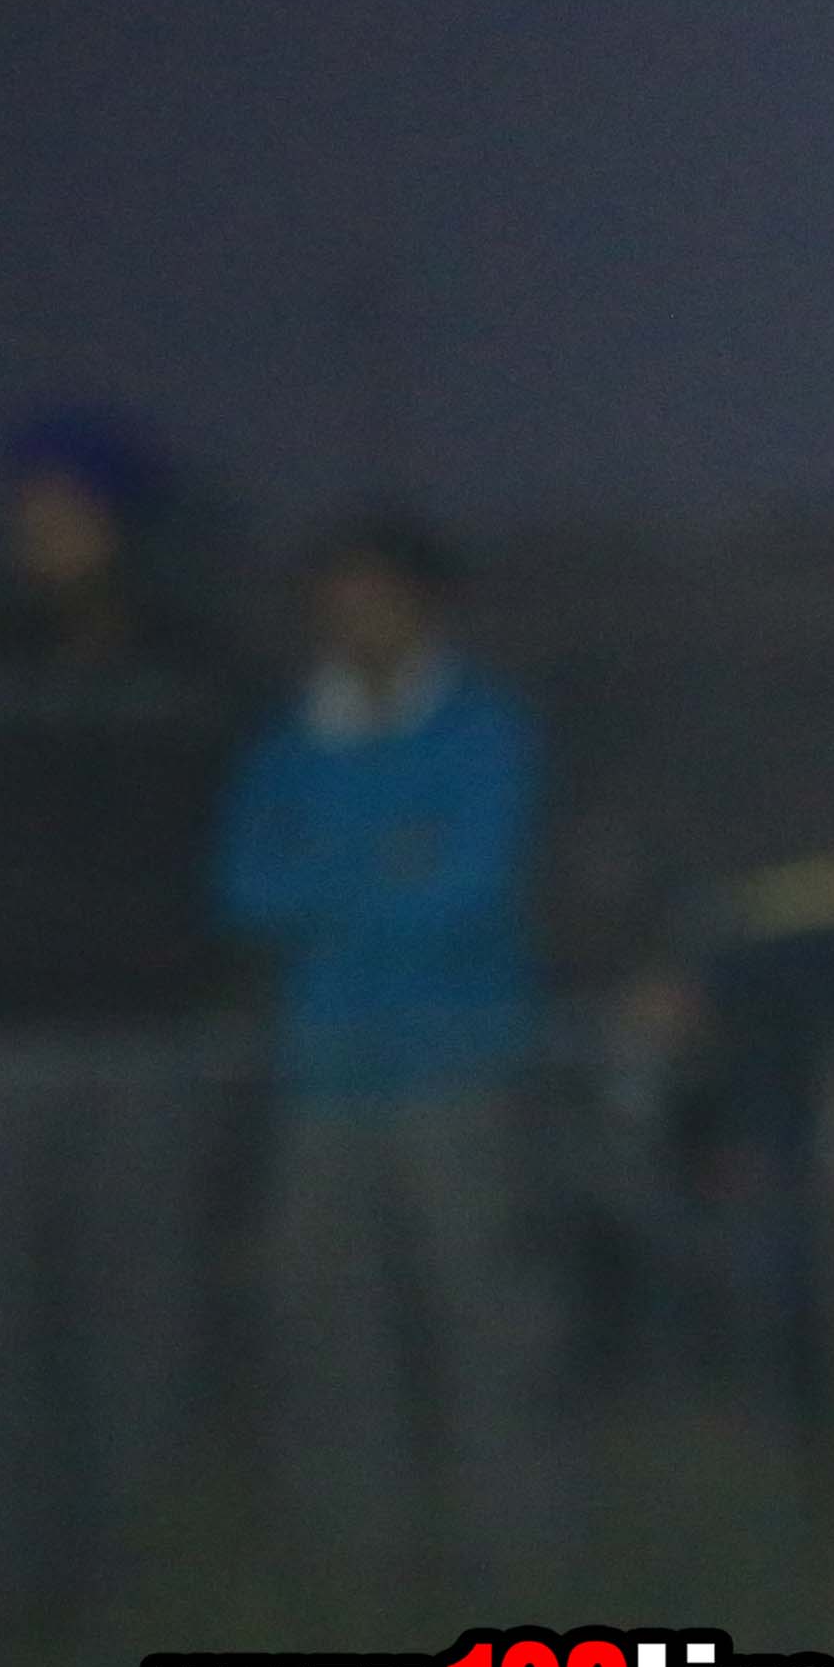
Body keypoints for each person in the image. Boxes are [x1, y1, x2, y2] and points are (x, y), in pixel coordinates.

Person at [212, 510, 570, 1596]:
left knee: (483, 1306)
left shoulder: (483, 730)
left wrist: (327, 875)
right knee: (325, 1310)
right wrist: (381, 864)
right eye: (339, 598)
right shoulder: (290, 739)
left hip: (458, 1056)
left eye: (377, 596)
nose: (356, 618)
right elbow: (242, 886)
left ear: (425, 605)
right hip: (324, 1066)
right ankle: (352, 1554)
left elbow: (467, 884)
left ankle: (516, 1546)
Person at [0, 408, 262, 1641]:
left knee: (136, 1318)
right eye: (30, 513)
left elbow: (248, 831)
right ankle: (23, 1583)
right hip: (14, 1033)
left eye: (67, 512)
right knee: (14, 1319)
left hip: (157, 1034)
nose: (42, 534)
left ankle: (137, 1585)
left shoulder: (199, 666)